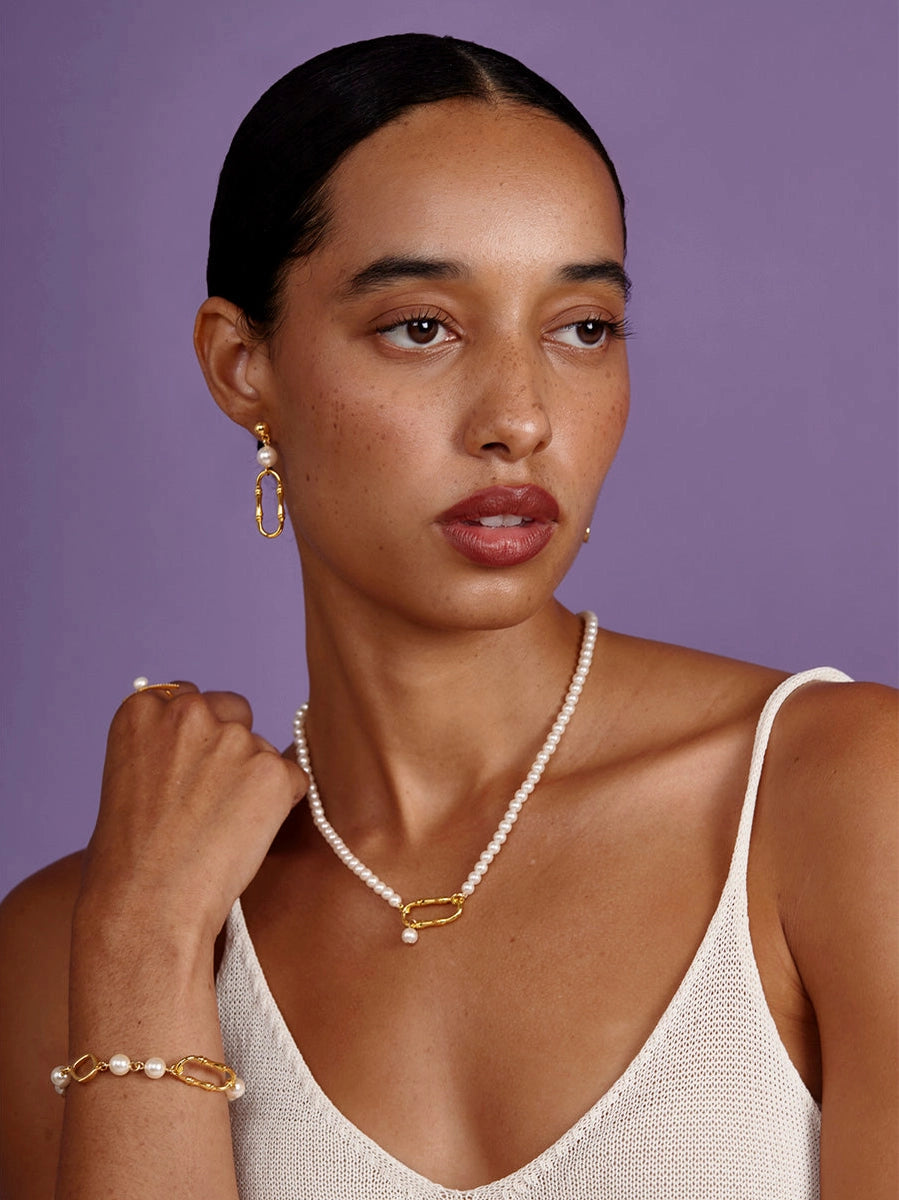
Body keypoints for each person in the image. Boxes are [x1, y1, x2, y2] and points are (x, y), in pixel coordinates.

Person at [0, 32, 895, 1200]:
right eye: (421, 326)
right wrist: (144, 949)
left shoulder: (840, 802)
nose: (519, 417)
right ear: (240, 365)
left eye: (580, 328)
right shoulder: (71, 938)